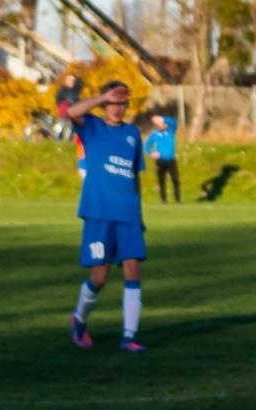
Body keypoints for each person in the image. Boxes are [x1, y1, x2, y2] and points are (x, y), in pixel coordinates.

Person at [64, 80, 148, 352]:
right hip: (99, 213)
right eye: (112, 102)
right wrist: (101, 97)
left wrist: (139, 213)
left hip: (128, 214)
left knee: (133, 270)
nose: (117, 108)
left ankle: (129, 337)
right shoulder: (93, 127)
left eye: (122, 102)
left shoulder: (133, 134)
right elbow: (71, 112)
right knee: (100, 277)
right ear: (104, 104)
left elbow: (134, 175)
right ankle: (78, 319)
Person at [54, 73, 86, 180]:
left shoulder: (76, 92)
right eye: (68, 80)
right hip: (63, 113)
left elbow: (77, 102)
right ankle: (57, 142)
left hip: (72, 115)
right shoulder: (62, 91)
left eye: (71, 80)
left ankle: (67, 142)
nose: (69, 82)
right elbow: (58, 100)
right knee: (59, 127)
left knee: (69, 129)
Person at [145, 114, 180, 204]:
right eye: (160, 124)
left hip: (171, 159)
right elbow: (146, 145)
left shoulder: (170, 131)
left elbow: (174, 121)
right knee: (161, 180)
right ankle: (163, 200)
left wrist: (162, 118)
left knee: (175, 179)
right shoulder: (154, 134)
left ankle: (177, 199)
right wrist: (151, 152)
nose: (162, 125)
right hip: (160, 160)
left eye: (163, 123)